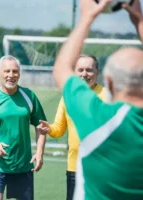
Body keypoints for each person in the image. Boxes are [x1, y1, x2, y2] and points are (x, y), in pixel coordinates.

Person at [51, 0, 143, 199]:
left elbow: (62, 69)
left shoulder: (97, 117)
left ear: (108, 82)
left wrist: (87, 17)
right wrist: (139, 20)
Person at [0, 55, 48, 200]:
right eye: (6, 71)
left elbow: (41, 127)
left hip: (24, 165)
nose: (11, 75)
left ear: (19, 74)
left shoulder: (29, 96)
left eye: (14, 71)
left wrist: (39, 152)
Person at [40, 54, 106, 200]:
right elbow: (59, 128)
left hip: (101, 169)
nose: (84, 74)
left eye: (89, 70)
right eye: (80, 70)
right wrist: (49, 129)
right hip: (74, 167)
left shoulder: (108, 96)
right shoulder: (68, 96)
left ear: (97, 72)